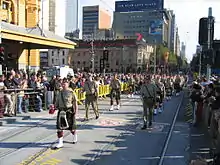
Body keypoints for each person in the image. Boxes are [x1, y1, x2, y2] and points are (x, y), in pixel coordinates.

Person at [54, 78, 78, 149]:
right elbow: (57, 102)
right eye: (62, 83)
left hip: (69, 111)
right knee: (59, 127)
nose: (63, 84)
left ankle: (74, 136)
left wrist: (76, 112)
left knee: (71, 128)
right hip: (61, 111)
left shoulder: (71, 92)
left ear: (68, 84)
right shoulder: (60, 92)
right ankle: (60, 142)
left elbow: (75, 102)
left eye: (65, 83)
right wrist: (54, 107)